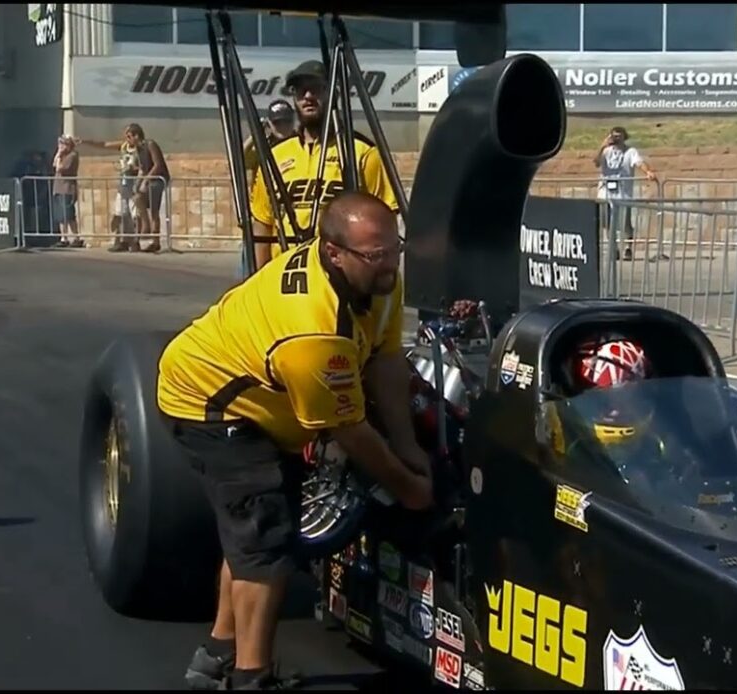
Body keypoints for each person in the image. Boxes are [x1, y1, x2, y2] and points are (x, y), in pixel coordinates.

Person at [157, 192, 433, 690]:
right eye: (376, 255)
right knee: (266, 538)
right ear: (333, 253)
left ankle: (218, 652)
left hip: (265, 391)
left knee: (251, 532)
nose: (390, 263)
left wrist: (408, 444)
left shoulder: (379, 278)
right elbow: (348, 432)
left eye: (396, 248)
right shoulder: (313, 332)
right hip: (211, 403)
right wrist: (408, 486)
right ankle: (251, 677)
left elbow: (386, 361)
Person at [249, 60, 398, 271]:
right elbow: (263, 223)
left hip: (340, 277)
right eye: (301, 90)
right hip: (284, 276)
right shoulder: (275, 155)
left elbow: (385, 219)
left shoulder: (362, 151)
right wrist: (257, 281)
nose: (308, 96)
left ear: (333, 93)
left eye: (316, 88)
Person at [236, 99, 297, 278]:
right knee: (253, 271)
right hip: (262, 213)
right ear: (269, 123)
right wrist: (256, 133)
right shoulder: (262, 146)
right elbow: (238, 159)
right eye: (277, 122)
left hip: (289, 215)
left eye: (286, 122)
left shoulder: (300, 142)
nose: (282, 127)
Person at [593, 127, 658, 261]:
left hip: (623, 193)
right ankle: (614, 247)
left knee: (625, 223)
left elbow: (639, 162)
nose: (616, 139)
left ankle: (628, 247)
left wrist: (648, 172)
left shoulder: (630, 151)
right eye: (614, 136)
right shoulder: (605, 151)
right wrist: (602, 146)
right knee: (607, 222)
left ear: (624, 137)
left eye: (619, 136)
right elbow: (596, 162)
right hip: (605, 192)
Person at [125, 123, 171, 253]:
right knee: (137, 198)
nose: (128, 140)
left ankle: (155, 241)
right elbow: (142, 169)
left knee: (155, 211)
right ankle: (146, 225)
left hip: (158, 179)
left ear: (136, 135)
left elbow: (157, 165)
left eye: (129, 137)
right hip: (148, 179)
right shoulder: (138, 150)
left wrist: (146, 180)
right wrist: (137, 183)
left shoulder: (150, 145)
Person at [52, 135, 82, 248]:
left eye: (63, 144)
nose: (61, 146)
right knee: (60, 215)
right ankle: (63, 237)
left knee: (69, 215)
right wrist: (59, 153)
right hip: (58, 188)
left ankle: (76, 237)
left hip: (67, 189)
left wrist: (60, 155)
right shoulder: (62, 155)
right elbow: (54, 164)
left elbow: (60, 168)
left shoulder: (72, 155)